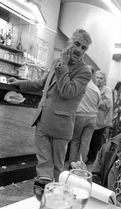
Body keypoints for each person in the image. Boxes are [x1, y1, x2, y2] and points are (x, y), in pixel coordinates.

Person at [8, 29, 92, 181]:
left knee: (56, 168)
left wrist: (64, 66)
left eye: (84, 48)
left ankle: (55, 198)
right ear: (70, 43)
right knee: (43, 165)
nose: (79, 50)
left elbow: (67, 92)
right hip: (42, 120)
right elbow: (41, 83)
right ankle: (45, 195)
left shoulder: (85, 71)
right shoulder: (56, 62)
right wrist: (19, 83)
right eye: (77, 44)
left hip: (60, 127)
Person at [68, 66, 101, 164]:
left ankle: (71, 164)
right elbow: (98, 104)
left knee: (75, 141)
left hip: (80, 115)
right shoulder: (96, 89)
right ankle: (80, 165)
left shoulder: (80, 85)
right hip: (93, 117)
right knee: (86, 142)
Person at [87, 71, 113, 164]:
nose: (98, 80)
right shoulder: (92, 88)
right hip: (92, 118)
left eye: (101, 78)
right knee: (88, 139)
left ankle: (91, 158)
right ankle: (87, 156)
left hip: (101, 121)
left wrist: (97, 101)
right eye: (97, 77)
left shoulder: (107, 90)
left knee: (95, 140)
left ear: (104, 80)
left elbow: (108, 104)